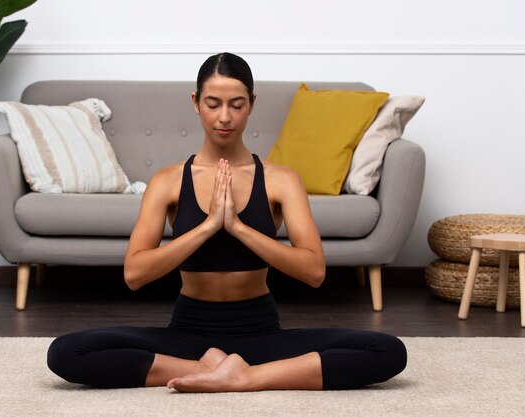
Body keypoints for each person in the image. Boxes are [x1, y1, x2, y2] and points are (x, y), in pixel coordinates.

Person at [47, 53, 407, 392]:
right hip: (187, 333)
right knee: (66, 352)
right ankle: (207, 369)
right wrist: (206, 227)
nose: (224, 117)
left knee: (388, 351)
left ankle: (246, 377)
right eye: (213, 104)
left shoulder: (281, 180)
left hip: (261, 331)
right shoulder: (168, 181)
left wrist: (238, 228)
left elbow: (313, 271)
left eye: (236, 105)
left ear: (251, 103)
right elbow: (135, 274)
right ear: (195, 102)